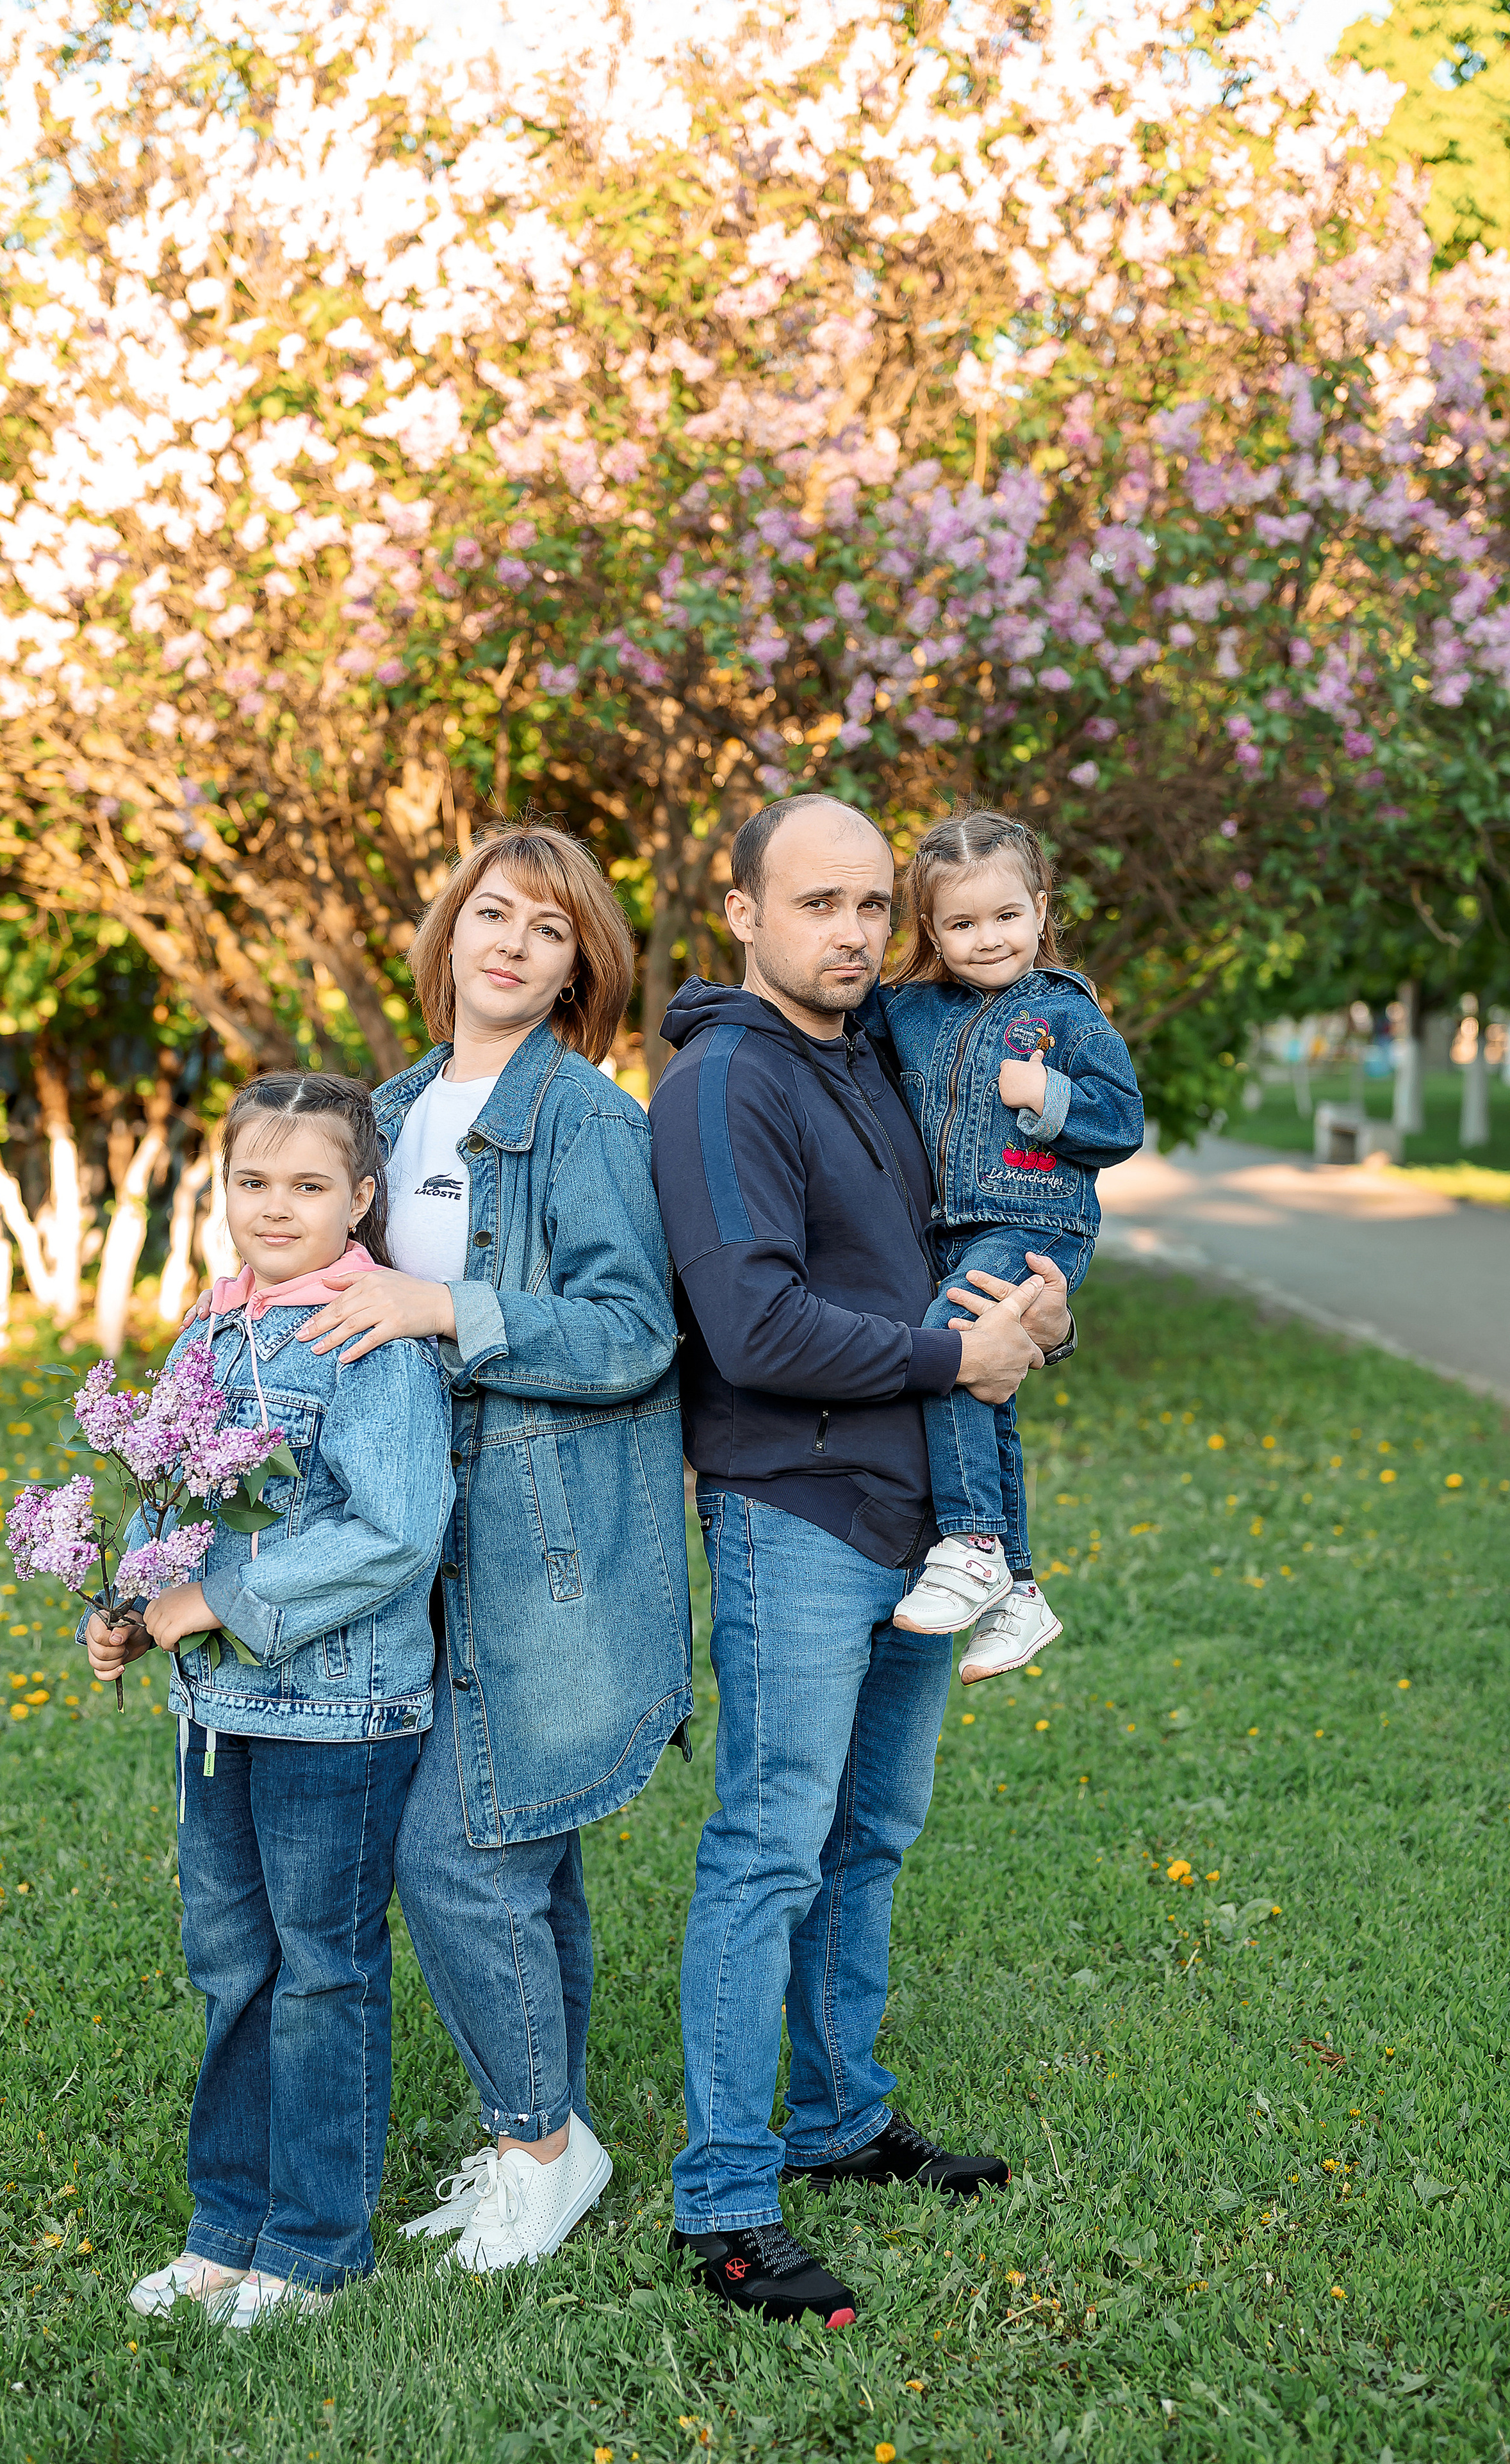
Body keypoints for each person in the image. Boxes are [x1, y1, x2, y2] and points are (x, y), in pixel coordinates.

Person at [649, 792, 1073, 2328]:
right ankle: (724, 2199)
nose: (849, 933)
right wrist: (949, 1365)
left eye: (869, 906)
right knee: (767, 1847)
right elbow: (749, 1327)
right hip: (795, 1511)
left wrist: (1033, 1316)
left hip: (912, 1520)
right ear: (743, 912)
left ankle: (834, 2118)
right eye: (815, 903)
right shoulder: (720, 1084)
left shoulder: (874, 1058)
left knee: (868, 1833)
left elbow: (959, 1248)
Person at [295, 823, 693, 2274]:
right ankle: (551, 2131)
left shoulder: (584, 1120)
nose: (513, 941)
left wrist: (447, 1312)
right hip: (413, 1535)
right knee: (520, 1855)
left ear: (580, 965)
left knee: (456, 1854)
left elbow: (636, 1333)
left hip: (541, 1543)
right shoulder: (388, 1109)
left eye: (550, 928)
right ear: (450, 928)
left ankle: (542, 2145)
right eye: (493, 911)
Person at [85, 1072, 452, 2329]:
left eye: (309, 1185)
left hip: (337, 1720)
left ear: (359, 1198)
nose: (277, 1207)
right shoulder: (208, 1332)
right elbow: (171, 1487)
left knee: (321, 1973)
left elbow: (397, 1531)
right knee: (234, 1967)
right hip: (218, 1715)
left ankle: (312, 2246)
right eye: (253, 1182)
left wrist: (216, 1605)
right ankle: (223, 2229)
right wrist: (135, 1600)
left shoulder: (364, 1334)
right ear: (223, 1190)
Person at [872, 807, 1143, 1676]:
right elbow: (827, 1034)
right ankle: (1020, 1593)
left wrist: (1048, 1094)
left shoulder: (1064, 1013)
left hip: (1035, 1226)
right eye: (961, 923)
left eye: (1005, 917)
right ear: (931, 929)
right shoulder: (910, 1011)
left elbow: (1123, 1123)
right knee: (987, 1393)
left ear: (1039, 909)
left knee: (956, 1344)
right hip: (953, 1228)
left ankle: (975, 1543)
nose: (986, 940)